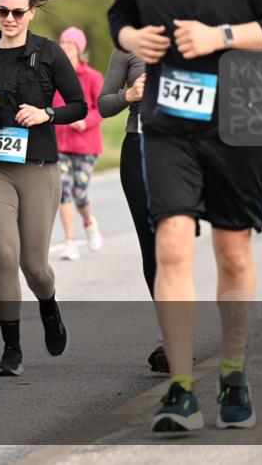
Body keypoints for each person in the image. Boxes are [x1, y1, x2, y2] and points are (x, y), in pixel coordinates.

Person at [108, 0, 262, 432]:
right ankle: (182, 389)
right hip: (168, 115)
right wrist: (132, 40)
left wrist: (222, 36)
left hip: (238, 105)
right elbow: (120, 16)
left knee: (232, 250)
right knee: (171, 245)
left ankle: (233, 372)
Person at [0, 0, 86, 377]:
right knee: (4, 255)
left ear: (31, 13)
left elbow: (78, 106)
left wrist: (46, 113)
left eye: (16, 12)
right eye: (2, 11)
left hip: (38, 167)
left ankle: (48, 305)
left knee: (35, 267)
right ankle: (11, 350)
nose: (8, 19)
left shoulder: (49, 53)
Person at [98, 48, 167, 371]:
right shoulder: (128, 46)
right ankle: (167, 335)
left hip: (184, 149)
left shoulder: (196, 33)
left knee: (173, 243)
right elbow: (103, 104)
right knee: (151, 245)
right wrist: (130, 94)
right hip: (138, 150)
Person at [53, 27, 105, 260]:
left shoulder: (92, 77)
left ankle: (89, 222)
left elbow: (102, 108)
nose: (64, 46)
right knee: (63, 190)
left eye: (70, 43)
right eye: (62, 42)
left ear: (79, 48)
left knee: (80, 192)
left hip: (86, 146)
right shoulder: (53, 75)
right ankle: (70, 242)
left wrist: (85, 121)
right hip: (59, 144)